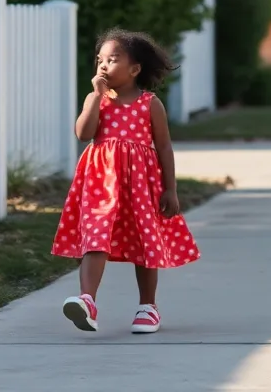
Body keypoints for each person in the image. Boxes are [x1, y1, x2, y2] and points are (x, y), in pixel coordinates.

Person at [53, 29, 199, 335]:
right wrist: (94, 96)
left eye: (113, 59)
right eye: (100, 60)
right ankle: (87, 301)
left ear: (134, 69)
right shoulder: (98, 100)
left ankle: (148, 306)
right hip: (100, 184)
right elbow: (83, 133)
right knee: (95, 236)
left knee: (145, 241)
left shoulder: (149, 104)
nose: (104, 65)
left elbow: (164, 147)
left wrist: (170, 189)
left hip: (141, 185)